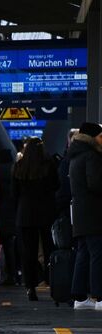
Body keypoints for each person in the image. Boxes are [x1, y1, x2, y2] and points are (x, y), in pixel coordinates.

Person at [12, 137, 58, 301]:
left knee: (28, 253)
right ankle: (53, 282)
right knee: (49, 250)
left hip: (25, 214)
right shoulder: (49, 165)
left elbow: (14, 194)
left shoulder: (19, 166)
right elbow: (56, 186)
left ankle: (30, 287)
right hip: (47, 213)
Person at [68, 122, 102, 310]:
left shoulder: (75, 155)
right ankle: (99, 297)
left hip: (81, 213)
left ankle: (80, 298)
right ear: (93, 137)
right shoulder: (91, 156)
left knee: (83, 253)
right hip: (94, 213)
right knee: (97, 255)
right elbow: (96, 183)